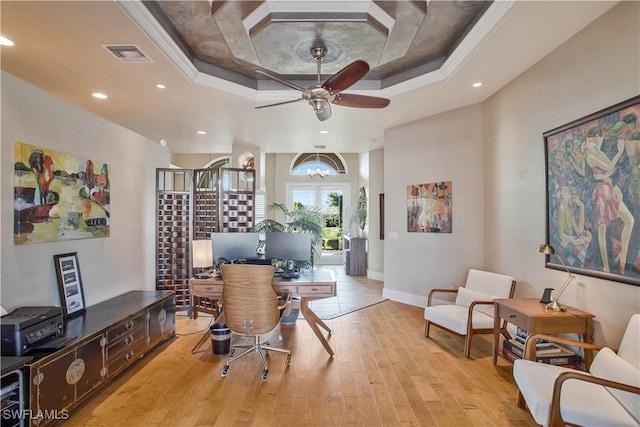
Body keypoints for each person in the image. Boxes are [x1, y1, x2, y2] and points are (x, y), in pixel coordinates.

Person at [585, 128, 634, 274]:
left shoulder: (599, 153)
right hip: (601, 191)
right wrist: (619, 152)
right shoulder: (590, 156)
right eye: (593, 139)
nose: (595, 140)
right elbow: (608, 167)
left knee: (630, 220)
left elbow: (611, 170)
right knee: (602, 228)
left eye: (596, 138)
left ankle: (623, 257)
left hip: (609, 187)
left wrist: (609, 176)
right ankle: (606, 266)